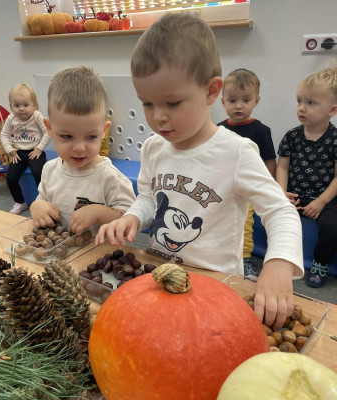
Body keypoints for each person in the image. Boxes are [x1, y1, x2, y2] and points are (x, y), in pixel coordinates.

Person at [95, 13, 304, 331]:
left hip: (216, 287)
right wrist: (133, 217)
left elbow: (281, 212)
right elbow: (150, 199)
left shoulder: (237, 152)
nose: (158, 117)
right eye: (147, 103)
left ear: (210, 91)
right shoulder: (153, 148)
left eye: (172, 103)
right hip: (161, 276)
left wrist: (278, 264)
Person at [30, 66, 136, 233]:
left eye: (91, 137)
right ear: (49, 128)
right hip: (59, 247)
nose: (79, 148)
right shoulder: (49, 170)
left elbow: (130, 219)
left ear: (104, 130)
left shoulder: (111, 178)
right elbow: (43, 201)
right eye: (67, 136)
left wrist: (99, 212)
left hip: (97, 249)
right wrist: (36, 206)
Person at [277, 66, 337, 288]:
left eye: (311, 103)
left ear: (332, 110)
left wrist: (321, 201)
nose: (301, 108)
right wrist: (282, 193)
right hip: (294, 193)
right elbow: (283, 168)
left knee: (332, 225)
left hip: (325, 197)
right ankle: (279, 259)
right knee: (276, 216)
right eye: (299, 101)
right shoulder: (292, 136)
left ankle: (320, 264)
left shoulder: (335, 139)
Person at [218, 68, 277, 278]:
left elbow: (269, 161)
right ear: (223, 101)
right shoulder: (219, 129)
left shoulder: (261, 131)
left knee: (244, 224)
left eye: (245, 100)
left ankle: (245, 259)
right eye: (232, 100)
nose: (239, 105)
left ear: (256, 101)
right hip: (222, 186)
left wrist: (266, 188)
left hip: (248, 187)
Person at [1, 83, 50, 214]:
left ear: (35, 105)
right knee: (11, 178)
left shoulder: (37, 116)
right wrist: (10, 151)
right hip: (18, 153)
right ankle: (20, 202)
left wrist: (39, 148)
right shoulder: (11, 119)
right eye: (17, 105)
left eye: (26, 105)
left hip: (35, 152)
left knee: (38, 173)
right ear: (11, 106)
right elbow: (4, 135)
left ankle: (44, 201)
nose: (21, 109)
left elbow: (47, 132)